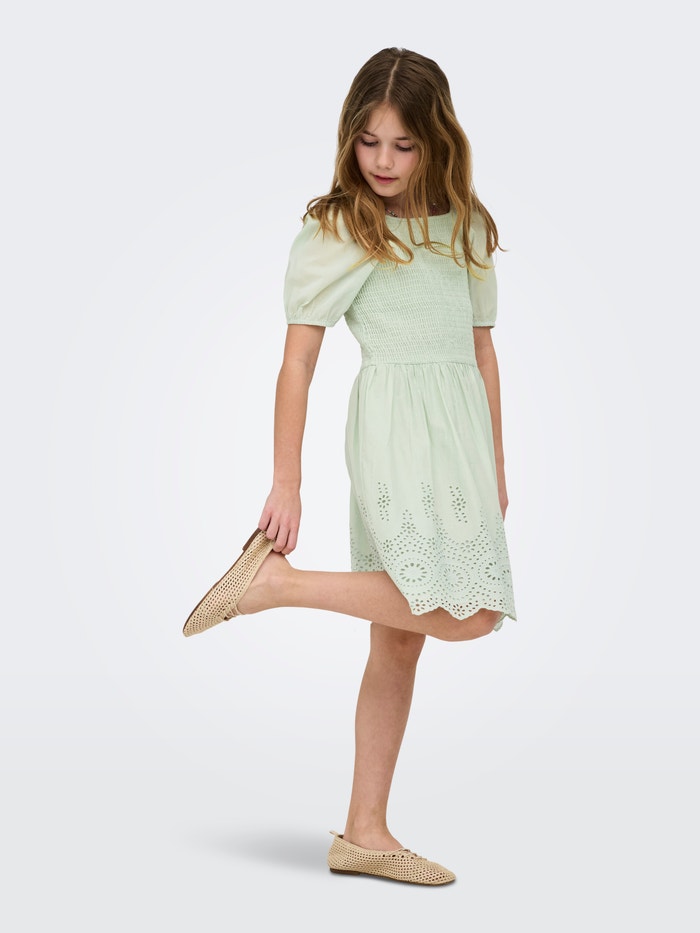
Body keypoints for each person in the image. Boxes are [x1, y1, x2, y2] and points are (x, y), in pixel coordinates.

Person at [184, 47, 517, 886]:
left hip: (460, 439)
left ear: (437, 140)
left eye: (403, 145)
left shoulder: (467, 226)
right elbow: (297, 362)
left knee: (401, 638)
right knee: (468, 612)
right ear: (350, 138)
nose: (383, 162)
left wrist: (497, 463)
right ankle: (276, 584)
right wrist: (285, 480)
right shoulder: (341, 228)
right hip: (394, 435)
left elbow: (482, 353)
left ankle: (364, 830)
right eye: (369, 142)